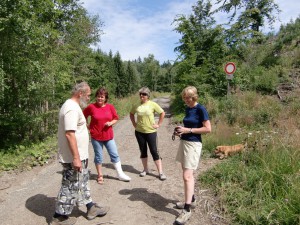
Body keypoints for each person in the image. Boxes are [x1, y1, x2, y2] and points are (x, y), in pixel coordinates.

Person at [51, 82, 109, 225]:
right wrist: (76, 158)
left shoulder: (73, 106)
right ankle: (59, 217)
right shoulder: (71, 108)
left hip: (79, 155)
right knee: (69, 185)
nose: (90, 98)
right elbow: (70, 134)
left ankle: (91, 208)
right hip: (73, 157)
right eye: (88, 95)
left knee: (82, 181)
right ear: (80, 94)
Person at [173, 86, 211, 225]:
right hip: (184, 142)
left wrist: (188, 130)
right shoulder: (188, 108)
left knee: (187, 176)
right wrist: (181, 132)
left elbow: (208, 129)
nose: (186, 100)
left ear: (194, 96)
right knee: (186, 174)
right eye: (184, 97)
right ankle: (192, 200)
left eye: (188, 97)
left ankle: (187, 209)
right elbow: (188, 127)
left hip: (194, 145)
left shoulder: (200, 109)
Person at [83, 87, 131, 184]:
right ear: (96, 97)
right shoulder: (91, 107)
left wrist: (111, 123)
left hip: (108, 136)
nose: (100, 99)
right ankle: (100, 176)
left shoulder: (110, 107)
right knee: (98, 156)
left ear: (105, 98)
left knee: (114, 154)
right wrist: (87, 126)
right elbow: (82, 116)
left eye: (102, 97)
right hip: (96, 136)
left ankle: (120, 174)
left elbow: (116, 117)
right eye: (98, 97)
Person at [129, 87, 167, 181]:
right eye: (141, 94)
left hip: (151, 132)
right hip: (139, 132)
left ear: (148, 95)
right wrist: (134, 124)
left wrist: (158, 124)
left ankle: (160, 172)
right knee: (143, 151)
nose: (142, 96)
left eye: (144, 94)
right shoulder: (136, 105)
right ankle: (145, 169)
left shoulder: (152, 104)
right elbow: (131, 114)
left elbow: (162, 113)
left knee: (154, 151)